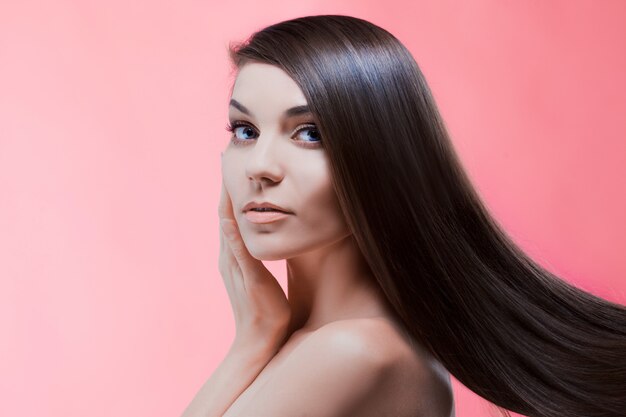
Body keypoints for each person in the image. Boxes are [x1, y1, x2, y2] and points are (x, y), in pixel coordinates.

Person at [182, 15, 626, 417]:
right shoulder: (322, 344)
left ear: (380, 156)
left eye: (310, 133)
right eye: (245, 131)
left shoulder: (353, 353)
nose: (259, 166)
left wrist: (252, 343)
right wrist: (256, 337)